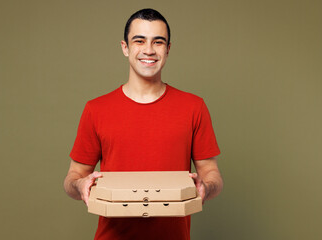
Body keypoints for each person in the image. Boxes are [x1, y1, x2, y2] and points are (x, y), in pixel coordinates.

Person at [64, 8, 223, 240]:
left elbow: (212, 174)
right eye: (139, 41)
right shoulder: (96, 109)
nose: (149, 50)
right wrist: (80, 185)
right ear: (125, 47)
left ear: (168, 49)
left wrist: (206, 188)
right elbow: (72, 178)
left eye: (158, 42)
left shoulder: (193, 107)